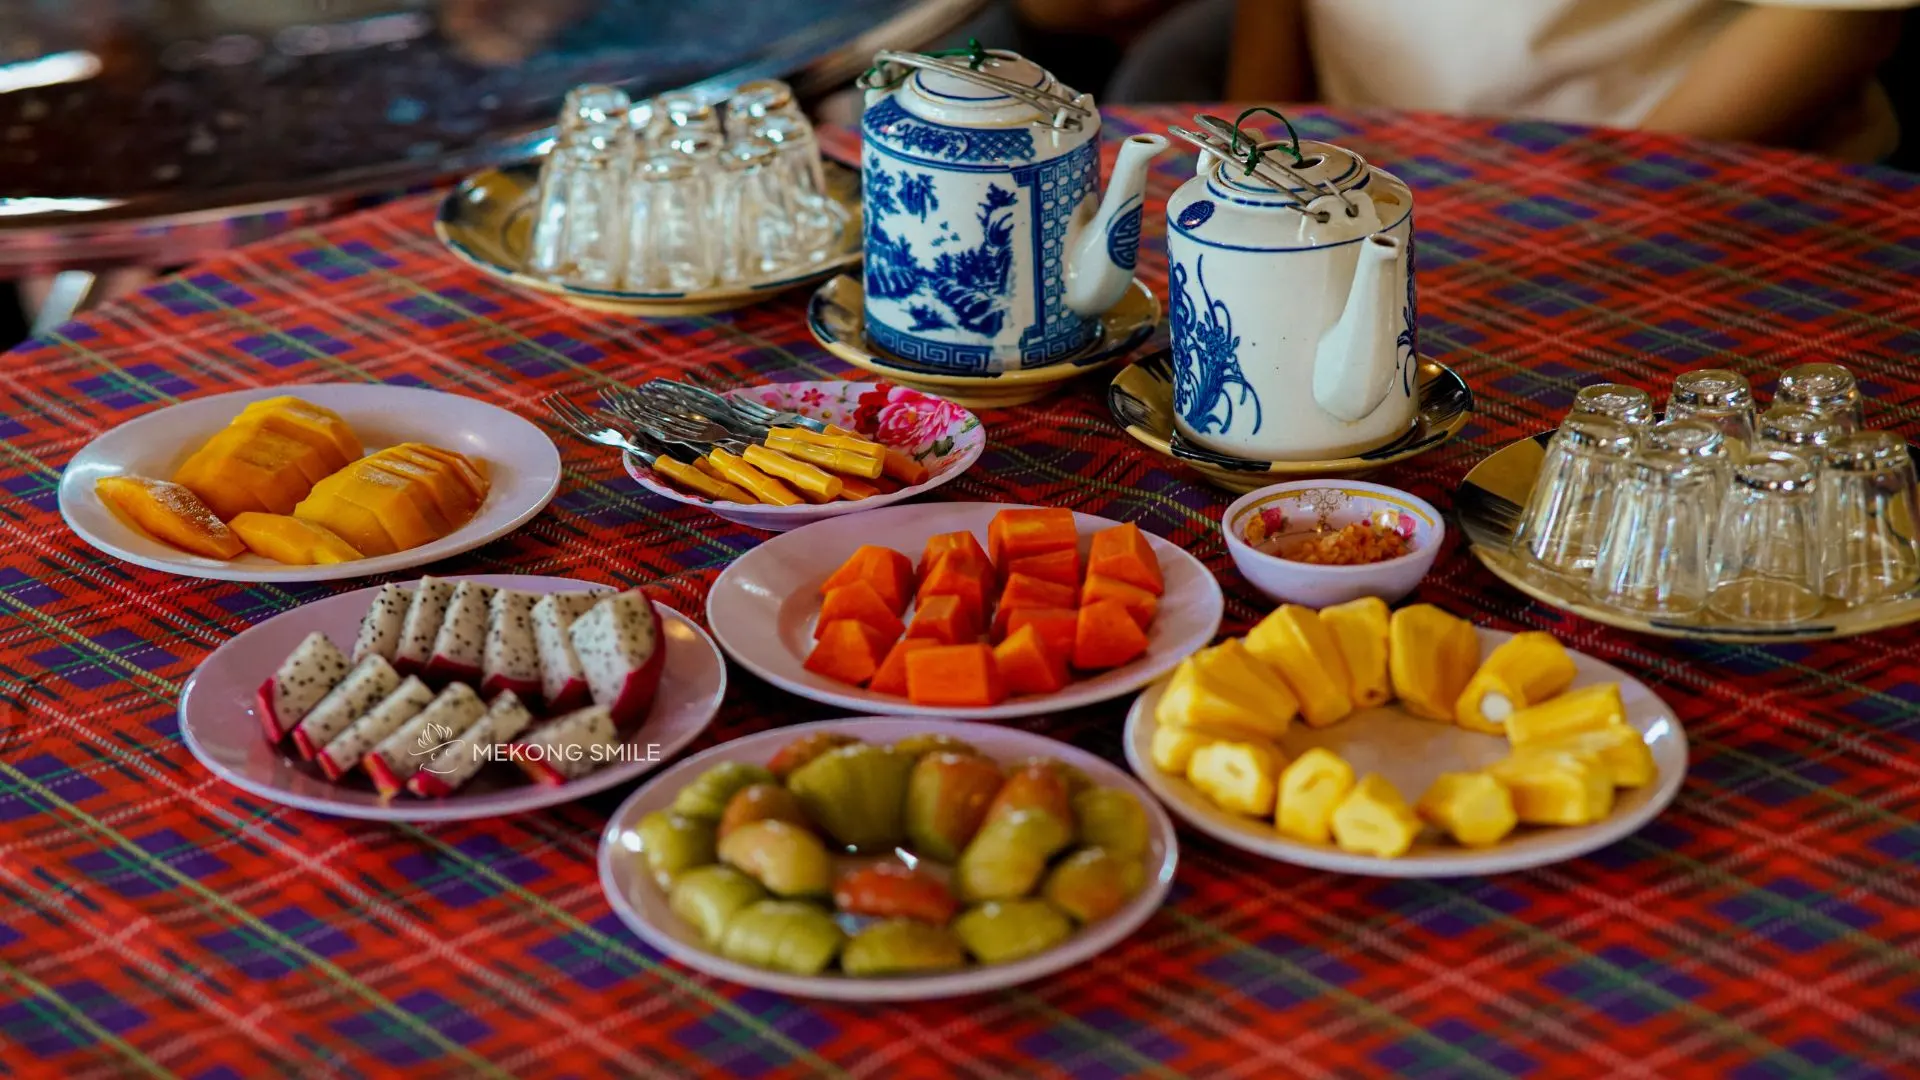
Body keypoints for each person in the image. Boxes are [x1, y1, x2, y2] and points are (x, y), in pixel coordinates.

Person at [1105, 0, 1912, 161]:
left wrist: (1607, 178)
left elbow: (1844, 15)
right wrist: (1270, 163)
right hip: (1385, 172)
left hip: (1700, 174)